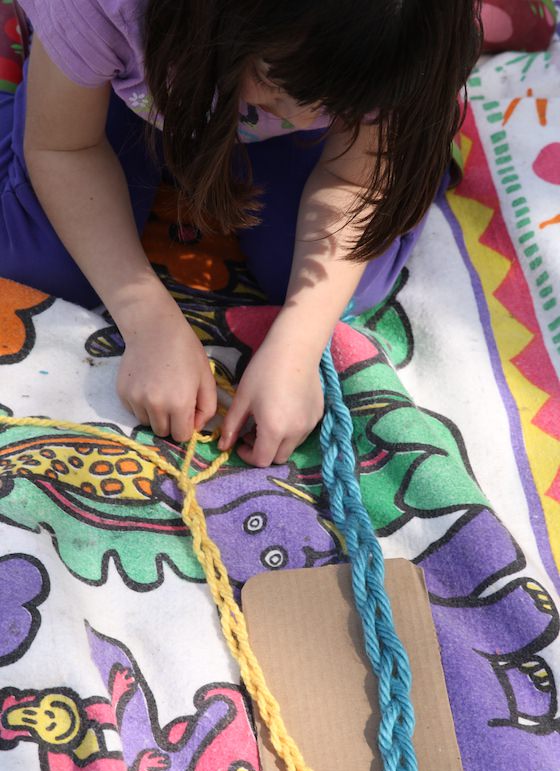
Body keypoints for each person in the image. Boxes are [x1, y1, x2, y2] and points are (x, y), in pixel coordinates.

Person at [0, 1, 481, 467]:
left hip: (264, 71)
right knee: (40, 261)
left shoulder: (407, 26)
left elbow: (355, 180)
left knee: (348, 278)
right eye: (273, 79)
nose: (291, 108)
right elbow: (65, 148)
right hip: (144, 74)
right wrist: (146, 318)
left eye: (326, 104)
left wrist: (297, 346)